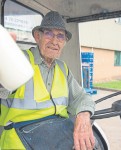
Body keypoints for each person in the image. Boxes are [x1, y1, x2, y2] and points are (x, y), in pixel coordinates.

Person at [0, 11, 97, 150]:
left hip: (56, 134)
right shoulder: (20, 60)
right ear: (37, 36)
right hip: (19, 137)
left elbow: (81, 97)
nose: (54, 41)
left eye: (60, 36)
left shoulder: (63, 68)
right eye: (49, 34)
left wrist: (83, 115)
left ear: (64, 42)